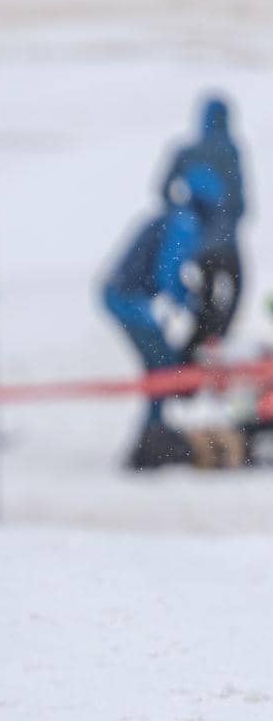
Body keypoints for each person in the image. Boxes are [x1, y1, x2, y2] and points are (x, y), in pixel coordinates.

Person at [102, 162, 224, 470]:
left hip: (126, 296)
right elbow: (166, 275)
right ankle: (151, 440)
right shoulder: (184, 223)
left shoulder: (174, 217)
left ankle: (153, 433)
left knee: (160, 365)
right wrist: (191, 301)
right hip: (128, 300)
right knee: (163, 366)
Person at [160, 96, 246, 350]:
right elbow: (240, 201)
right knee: (236, 289)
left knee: (205, 296)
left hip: (197, 245)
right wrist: (228, 218)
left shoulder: (187, 152)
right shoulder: (230, 151)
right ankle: (215, 343)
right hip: (227, 245)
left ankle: (194, 349)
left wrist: (186, 214)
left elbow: (164, 190)